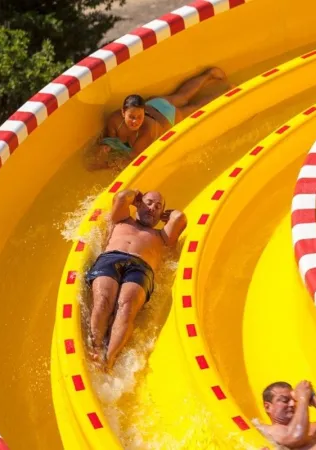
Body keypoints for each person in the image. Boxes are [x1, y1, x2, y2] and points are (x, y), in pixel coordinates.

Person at [85, 189, 187, 370]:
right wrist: (137, 194)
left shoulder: (161, 236)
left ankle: (108, 358)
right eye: (148, 203)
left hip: (141, 268)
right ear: (138, 203)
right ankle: (95, 347)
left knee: (126, 307)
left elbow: (179, 218)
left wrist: (170, 215)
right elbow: (122, 197)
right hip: (111, 259)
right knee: (103, 301)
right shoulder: (120, 220)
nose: (152, 208)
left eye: (158, 207)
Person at [90, 67, 230, 169]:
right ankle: (209, 74)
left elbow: (131, 161)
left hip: (167, 117)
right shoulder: (114, 120)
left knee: (194, 107)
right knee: (181, 97)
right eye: (131, 117)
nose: (135, 121)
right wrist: (104, 147)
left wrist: (104, 165)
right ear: (122, 113)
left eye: (139, 117)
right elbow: (109, 140)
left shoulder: (147, 130)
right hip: (153, 104)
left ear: (143, 113)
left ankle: (227, 91)